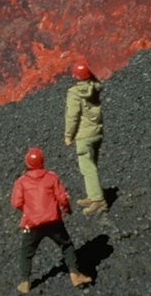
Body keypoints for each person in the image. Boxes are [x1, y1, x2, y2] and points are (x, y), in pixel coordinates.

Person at [10, 147, 93, 293]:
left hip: (32, 224)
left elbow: (16, 202)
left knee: (26, 252)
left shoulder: (21, 182)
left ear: (26, 163)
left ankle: (25, 282)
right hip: (53, 221)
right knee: (66, 245)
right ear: (42, 161)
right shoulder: (51, 177)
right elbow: (62, 197)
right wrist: (67, 209)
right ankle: (74, 274)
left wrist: (28, 211)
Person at [64, 59, 107, 215]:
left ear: (75, 76)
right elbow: (96, 81)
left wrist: (69, 135)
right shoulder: (95, 87)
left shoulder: (74, 93)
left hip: (84, 134)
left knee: (87, 167)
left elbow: (72, 116)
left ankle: (98, 200)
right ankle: (92, 194)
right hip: (97, 131)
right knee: (92, 164)